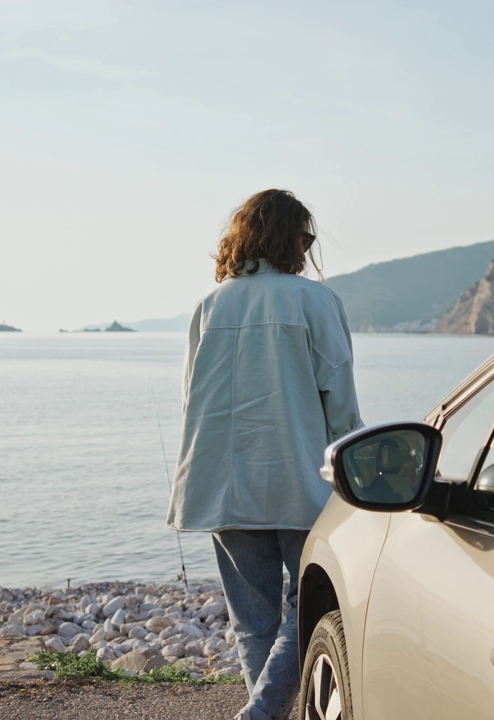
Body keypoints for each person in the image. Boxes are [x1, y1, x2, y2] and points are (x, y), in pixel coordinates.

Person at [168, 189, 362, 720]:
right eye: (307, 235)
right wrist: (362, 467)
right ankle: (260, 715)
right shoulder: (314, 300)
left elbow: (191, 398)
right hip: (300, 479)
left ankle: (263, 713)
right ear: (289, 238)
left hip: (220, 483)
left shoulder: (211, 305)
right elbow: (339, 401)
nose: (308, 245)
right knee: (314, 605)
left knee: (253, 623)